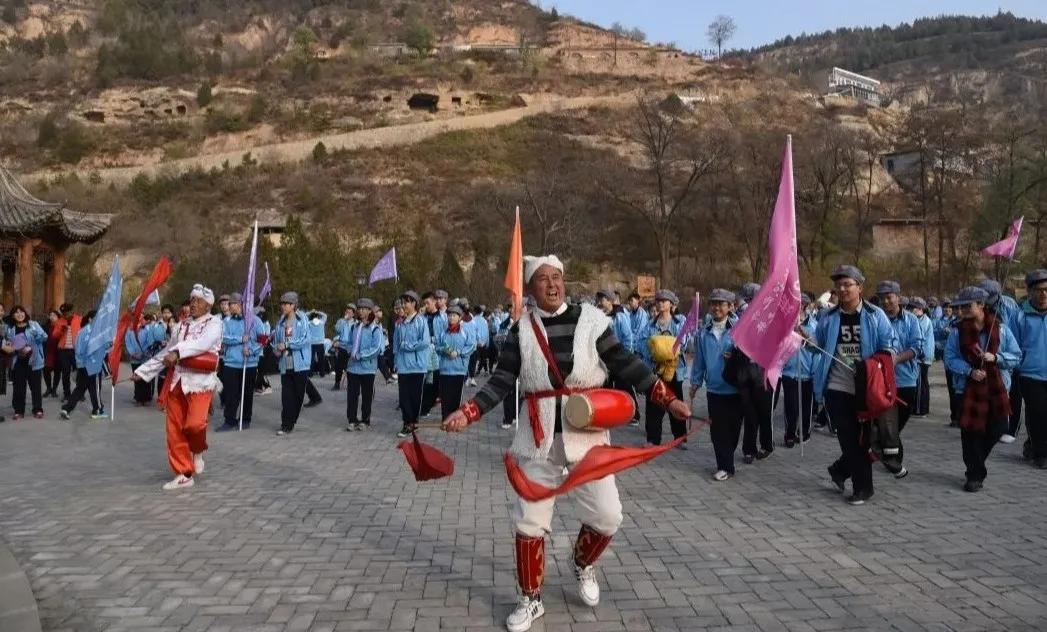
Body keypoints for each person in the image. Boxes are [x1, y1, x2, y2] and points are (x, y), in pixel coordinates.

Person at [441, 255, 691, 632]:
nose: (551, 284)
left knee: (608, 516)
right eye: (542, 279)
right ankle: (530, 599)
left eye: (556, 277)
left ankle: (582, 563)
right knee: (529, 521)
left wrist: (666, 397)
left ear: (565, 281)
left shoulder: (592, 321)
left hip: (587, 434)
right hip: (537, 437)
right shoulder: (520, 330)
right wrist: (469, 412)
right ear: (531, 288)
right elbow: (501, 380)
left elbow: (624, 362)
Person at [816, 265, 897, 506]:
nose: (842, 289)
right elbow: (820, 344)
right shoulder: (828, 317)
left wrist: (871, 365)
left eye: (847, 284)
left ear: (859, 287)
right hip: (837, 387)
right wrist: (808, 340)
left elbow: (890, 345)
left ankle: (840, 471)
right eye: (839, 285)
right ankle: (863, 489)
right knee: (849, 439)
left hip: (867, 389)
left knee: (865, 440)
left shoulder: (875, 315)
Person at [133, 285, 223, 491]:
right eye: (191, 299)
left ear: (208, 305)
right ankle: (184, 473)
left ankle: (198, 450)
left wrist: (179, 353)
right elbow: (167, 352)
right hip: (177, 382)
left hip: (200, 383)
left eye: (198, 301)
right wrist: (144, 371)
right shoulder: (180, 326)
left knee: (195, 425)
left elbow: (202, 344)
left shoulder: (214, 324)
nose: (193, 304)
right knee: (174, 430)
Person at [943, 286, 1021, 490]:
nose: (964, 310)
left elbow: (1016, 355)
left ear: (981, 305)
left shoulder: (1000, 328)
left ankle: (977, 463)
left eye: (968, 306)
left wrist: (996, 358)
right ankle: (974, 475)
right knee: (970, 434)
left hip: (997, 388)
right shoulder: (957, 332)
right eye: (962, 306)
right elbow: (949, 358)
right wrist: (969, 371)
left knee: (999, 428)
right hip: (967, 390)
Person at [690, 289, 743, 481]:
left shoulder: (740, 328)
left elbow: (750, 353)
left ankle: (727, 457)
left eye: (721, 304)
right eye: (713, 303)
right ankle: (725, 465)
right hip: (714, 389)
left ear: (730, 307)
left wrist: (736, 356)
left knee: (734, 429)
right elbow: (699, 361)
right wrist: (695, 382)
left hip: (736, 388)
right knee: (718, 431)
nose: (717, 307)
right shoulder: (703, 332)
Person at [876, 280, 921, 479]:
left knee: (897, 424)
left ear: (898, 296)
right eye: (882, 298)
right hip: (881, 381)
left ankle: (888, 453)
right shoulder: (874, 318)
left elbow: (917, 347)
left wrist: (895, 359)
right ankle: (894, 460)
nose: (886, 301)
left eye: (889, 297)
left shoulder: (911, 320)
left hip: (906, 380)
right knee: (887, 424)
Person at [637, 290, 687, 448]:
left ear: (671, 304)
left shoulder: (679, 322)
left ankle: (679, 438)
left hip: (674, 370)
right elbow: (642, 343)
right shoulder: (650, 324)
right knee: (653, 405)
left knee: (676, 403)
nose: (660, 304)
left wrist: (674, 349)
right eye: (658, 301)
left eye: (664, 301)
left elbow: (685, 343)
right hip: (655, 370)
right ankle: (653, 439)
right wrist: (653, 352)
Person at [1012, 269, 1047, 467]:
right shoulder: (1019, 316)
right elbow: (1012, 345)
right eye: (1039, 290)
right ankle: (1041, 453)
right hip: (1030, 374)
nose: (1044, 294)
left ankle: (1032, 444)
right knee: (1037, 413)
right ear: (1029, 291)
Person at [217, 293, 266, 432]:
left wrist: (251, 350)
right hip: (231, 363)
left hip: (249, 363)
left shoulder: (255, 321)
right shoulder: (226, 321)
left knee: (246, 393)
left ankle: (245, 419)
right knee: (231, 393)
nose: (228, 306)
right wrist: (240, 339)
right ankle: (229, 420)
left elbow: (263, 340)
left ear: (238, 305)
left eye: (230, 304)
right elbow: (222, 338)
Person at [777, 293, 817, 448]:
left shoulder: (813, 325)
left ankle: (804, 432)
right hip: (789, 372)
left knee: (806, 406)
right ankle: (790, 434)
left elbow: (817, 350)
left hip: (807, 373)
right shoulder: (783, 325)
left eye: (799, 304)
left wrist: (814, 370)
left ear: (804, 306)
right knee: (790, 406)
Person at [272, 292, 312, 436]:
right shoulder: (280, 322)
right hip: (285, 364)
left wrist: (287, 344)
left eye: (286, 304)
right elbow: (276, 340)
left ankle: (292, 420)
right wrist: (275, 348)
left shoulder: (302, 320)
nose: (283, 306)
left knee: (298, 396)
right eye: (282, 304)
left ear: (293, 305)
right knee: (286, 396)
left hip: (300, 364)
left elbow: (305, 339)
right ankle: (286, 424)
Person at [342, 298, 384, 431]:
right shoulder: (354, 326)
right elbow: (349, 342)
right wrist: (349, 350)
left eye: (364, 309)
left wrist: (360, 355)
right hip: (353, 367)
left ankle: (365, 420)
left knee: (367, 395)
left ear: (370, 311)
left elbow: (376, 348)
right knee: (352, 395)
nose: (361, 311)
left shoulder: (375, 328)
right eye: (359, 309)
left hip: (367, 368)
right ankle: (352, 419)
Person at [393, 291, 431, 437]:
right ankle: (406, 423)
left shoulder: (421, 321)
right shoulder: (400, 323)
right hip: (403, 366)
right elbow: (396, 344)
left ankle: (413, 423)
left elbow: (425, 342)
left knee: (415, 397)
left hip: (417, 365)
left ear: (414, 303)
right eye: (403, 302)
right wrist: (396, 361)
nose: (404, 305)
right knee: (404, 397)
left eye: (406, 302)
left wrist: (408, 345)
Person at [59, 310, 107, 420]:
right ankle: (97, 410)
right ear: (90, 319)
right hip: (91, 365)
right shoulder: (89, 332)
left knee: (80, 389)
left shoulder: (83, 332)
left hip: (84, 365)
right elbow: (79, 349)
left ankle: (66, 408)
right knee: (95, 388)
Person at [5, 305, 47, 419]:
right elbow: (7, 342)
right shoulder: (10, 328)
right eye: (16, 313)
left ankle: (37, 409)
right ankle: (19, 411)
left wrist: (36, 335)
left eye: (21, 312)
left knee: (36, 387)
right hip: (18, 361)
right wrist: (9, 344)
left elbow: (44, 337)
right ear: (13, 315)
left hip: (34, 361)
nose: (19, 314)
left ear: (25, 313)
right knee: (18, 387)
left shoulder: (33, 325)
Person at [435, 304, 475, 420]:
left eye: (454, 315)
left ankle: (453, 419)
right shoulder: (444, 332)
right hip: (445, 370)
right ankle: (445, 418)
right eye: (449, 315)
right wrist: (444, 350)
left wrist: (458, 353)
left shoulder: (464, 331)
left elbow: (471, 346)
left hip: (458, 370)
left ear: (459, 317)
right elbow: (437, 346)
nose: (451, 318)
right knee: (445, 396)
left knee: (455, 396)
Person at [910, 297, 936, 417]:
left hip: (923, 357)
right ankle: (920, 407)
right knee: (923, 383)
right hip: (923, 357)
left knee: (921, 384)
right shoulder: (922, 319)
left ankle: (920, 409)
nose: (910, 310)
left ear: (920, 309)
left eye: (913, 308)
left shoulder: (923, 321)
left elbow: (920, 338)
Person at [126, 314, 159, 406]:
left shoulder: (147, 329)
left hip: (145, 357)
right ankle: (138, 397)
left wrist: (143, 352)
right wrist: (133, 353)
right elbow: (127, 342)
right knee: (136, 377)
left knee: (145, 377)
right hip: (134, 358)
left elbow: (150, 341)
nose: (140, 319)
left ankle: (146, 397)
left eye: (141, 317)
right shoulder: (130, 330)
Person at [55, 303, 81, 401]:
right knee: (65, 373)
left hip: (76, 350)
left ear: (72, 311)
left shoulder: (79, 319)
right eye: (64, 313)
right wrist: (61, 330)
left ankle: (80, 393)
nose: (66, 315)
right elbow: (55, 336)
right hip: (63, 351)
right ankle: (67, 394)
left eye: (67, 312)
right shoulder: (60, 321)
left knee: (79, 372)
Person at [331, 304, 356, 391]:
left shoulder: (355, 323)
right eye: (346, 311)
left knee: (350, 367)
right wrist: (344, 321)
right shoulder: (341, 321)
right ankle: (337, 383)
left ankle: (351, 385)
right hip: (341, 346)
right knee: (338, 366)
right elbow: (337, 330)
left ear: (353, 314)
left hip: (351, 347)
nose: (347, 313)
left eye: (350, 312)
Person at [44, 308, 61, 398]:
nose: (52, 317)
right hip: (48, 351)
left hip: (58, 352)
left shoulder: (61, 327)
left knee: (57, 372)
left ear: (58, 317)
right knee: (46, 370)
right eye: (50, 315)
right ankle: (48, 388)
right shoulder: (46, 326)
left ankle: (54, 389)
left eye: (54, 316)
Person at [307, 308, 329, 378]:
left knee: (311, 359)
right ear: (318, 317)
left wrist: (310, 312)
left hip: (312, 343)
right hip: (320, 343)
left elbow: (304, 316)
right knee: (321, 359)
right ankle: (322, 373)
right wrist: (318, 312)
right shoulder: (322, 322)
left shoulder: (309, 323)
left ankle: (310, 373)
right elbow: (325, 315)